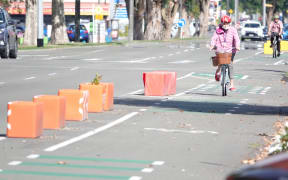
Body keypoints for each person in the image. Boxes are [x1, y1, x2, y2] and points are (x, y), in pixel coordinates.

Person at [210, 15, 240, 91]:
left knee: (230, 64)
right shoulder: (218, 30)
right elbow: (214, 38)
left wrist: (237, 46)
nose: (225, 24)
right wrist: (212, 45)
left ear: (229, 23)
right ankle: (218, 71)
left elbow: (236, 39)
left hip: (231, 50)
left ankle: (232, 84)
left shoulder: (233, 30)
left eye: (227, 23)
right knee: (220, 63)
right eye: (224, 23)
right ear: (222, 23)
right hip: (220, 50)